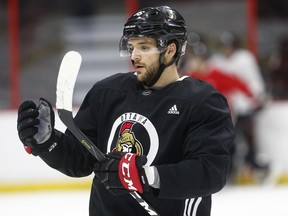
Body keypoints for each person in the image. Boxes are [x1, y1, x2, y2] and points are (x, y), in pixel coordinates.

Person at [17, 6, 235, 216]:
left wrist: (146, 176)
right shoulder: (108, 92)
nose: (135, 56)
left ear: (170, 50)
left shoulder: (202, 101)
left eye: (144, 47)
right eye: (131, 47)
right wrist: (47, 143)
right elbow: (80, 160)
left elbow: (210, 172)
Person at [209, 31, 267, 183]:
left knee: (249, 139)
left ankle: (252, 167)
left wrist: (257, 97)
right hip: (226, 108)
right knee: (229, 140)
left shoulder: (245, 58)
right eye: (224, 47)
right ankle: (230, 171)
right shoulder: (216, 61)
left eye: (229, 46)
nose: (226, 50)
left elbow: (253, 80)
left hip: (246, 106)